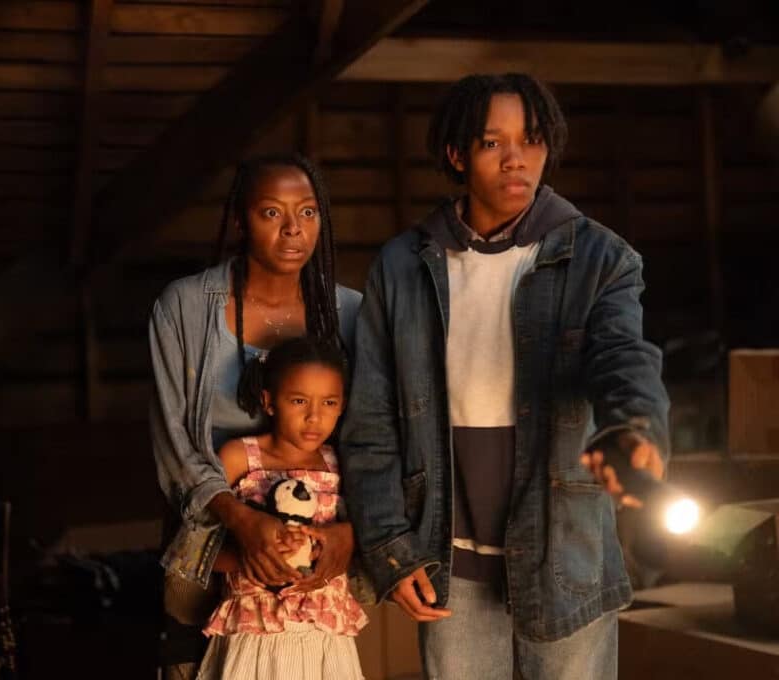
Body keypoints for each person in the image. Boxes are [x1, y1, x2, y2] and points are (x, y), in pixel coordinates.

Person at [339, 73, 670, 679]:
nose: (516, 159)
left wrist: (636, 426)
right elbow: (371, 422)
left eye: (532, 140)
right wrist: (390, 545)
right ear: (456, 154)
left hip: (564, 555)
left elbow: (624, 356)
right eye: (493, 143)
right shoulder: (402, 266)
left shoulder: (601, 259)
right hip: (448, 562)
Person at [149, 153, 362, 679]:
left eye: (308, 212)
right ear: (241, 221)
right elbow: (173, 443)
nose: (293, 229)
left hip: (314, 569)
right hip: (211, 553)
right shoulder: (184, 308)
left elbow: (375, 442)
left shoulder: (353, 315)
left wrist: (349, 534)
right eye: (272, 212)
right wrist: (243, 522)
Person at [197, 336, 367, 679]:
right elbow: (193, 550)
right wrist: (255, 556)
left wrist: (322, 552)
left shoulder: (342, 465)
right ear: (269, 401)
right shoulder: (239, 457)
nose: (314, 417)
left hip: (323, 638)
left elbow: (361, 544)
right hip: (254, 636)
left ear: (343, 405)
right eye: (299, 401)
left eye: (329, 402)